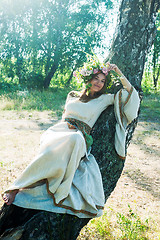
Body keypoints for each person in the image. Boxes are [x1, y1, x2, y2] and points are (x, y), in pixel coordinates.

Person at [2, 57, 140, 218]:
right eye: (96, 78)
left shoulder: (104, 99)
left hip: (79, 137)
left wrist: (118, 72)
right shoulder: (72, 95)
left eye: (102, 81)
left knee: (74, 140)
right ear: (88, 78)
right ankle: (16, 187)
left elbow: (130, 94)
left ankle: (51, 187)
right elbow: (65, 116)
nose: (99, 83)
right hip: (59, 131)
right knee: (52, 149)